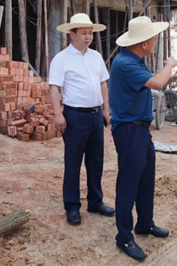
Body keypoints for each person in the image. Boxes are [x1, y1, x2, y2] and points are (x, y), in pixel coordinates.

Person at [110, 16, 177, 261]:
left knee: (146, 177)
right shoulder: (125, 63)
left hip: (140, 129)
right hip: (129, 129)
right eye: (154, 39)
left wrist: (172, 77)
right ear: (144, 43)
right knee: (129, 182)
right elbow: (156, 82)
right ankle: (124, 236)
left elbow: (151, 82)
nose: (155, 42)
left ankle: (144, 222)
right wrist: (170, 65)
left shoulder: (135, 60)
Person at [49, 13, 114, 226]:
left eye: (90, 33)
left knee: (96, 161)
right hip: (75, 116)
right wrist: (58, 113)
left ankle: (95, 201)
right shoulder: (61, 59)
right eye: (84, 33)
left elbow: (103, 83)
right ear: (72, 34)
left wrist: (106, 109)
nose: (88, 37)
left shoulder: (96, 57)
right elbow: (54, 87)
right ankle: (72, 206)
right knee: (73, 162)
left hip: (95, 116)